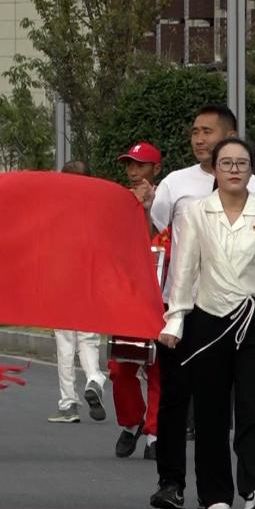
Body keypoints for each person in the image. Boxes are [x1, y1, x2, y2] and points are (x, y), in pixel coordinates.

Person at [155, 137, 255, 509]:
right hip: (208, 320)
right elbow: (185, 272)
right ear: (214, 170)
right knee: (212, 411)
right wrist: (175, 320)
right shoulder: (198, 213)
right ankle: (216, 493)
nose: (234, 169)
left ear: (251, 171)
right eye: (226, 163)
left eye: (241, 163)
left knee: (252, 408)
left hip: (254, 320)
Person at [109, 142, 164, 458]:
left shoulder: (166, 200)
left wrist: (147, 208)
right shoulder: (120, 201)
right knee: (120, 367)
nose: (133, 171)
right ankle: (131, 422)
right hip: (127, 298)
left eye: (140, 165)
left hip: (162, 298)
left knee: (159, 369)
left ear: (155, 169)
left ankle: (154, 433)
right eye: (129, 165)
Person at [48, 160, 108, 423]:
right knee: (88, 339)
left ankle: (68, 403)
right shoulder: (99, 209)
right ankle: (94, 378)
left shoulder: (56, 211)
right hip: (90, 283)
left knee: (65, 344)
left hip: (62, 283)